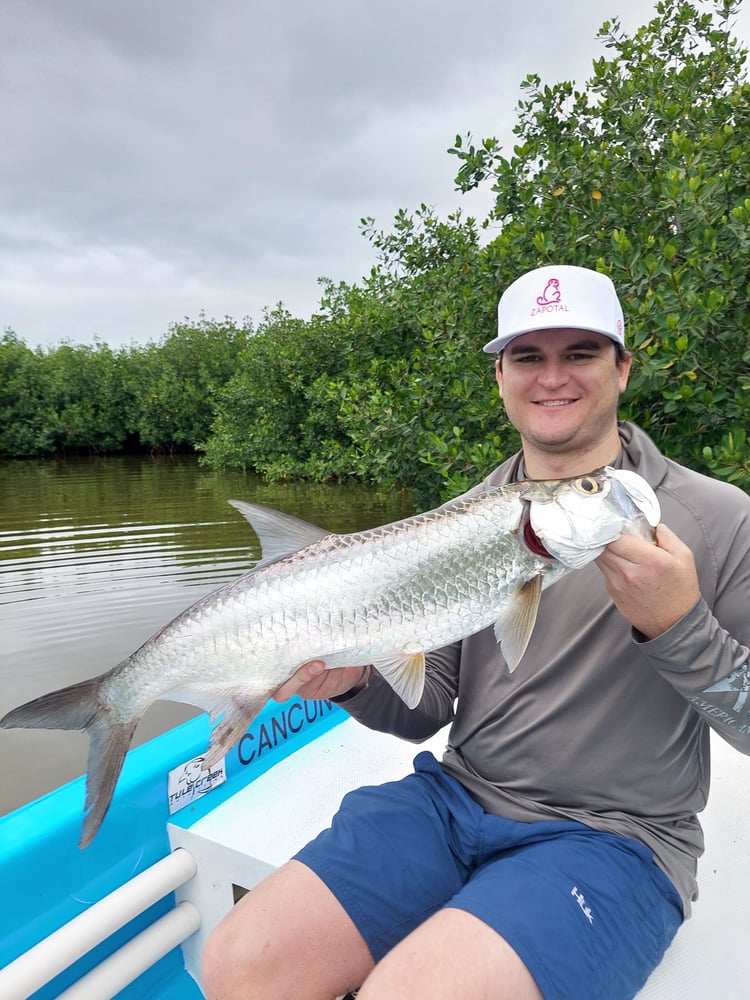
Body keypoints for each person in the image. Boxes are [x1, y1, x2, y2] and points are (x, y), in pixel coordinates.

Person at [201, 264, 750, 1000]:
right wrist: (356, 680)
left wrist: (678, 627)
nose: (552, 377)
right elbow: (429, 708)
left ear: (623, 368)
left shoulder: (720, 519)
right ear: (500, 376)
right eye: (528, 356)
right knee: (239, 961)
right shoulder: (463, 520)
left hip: (618, 840)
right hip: (455, 800)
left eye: (580, 352)